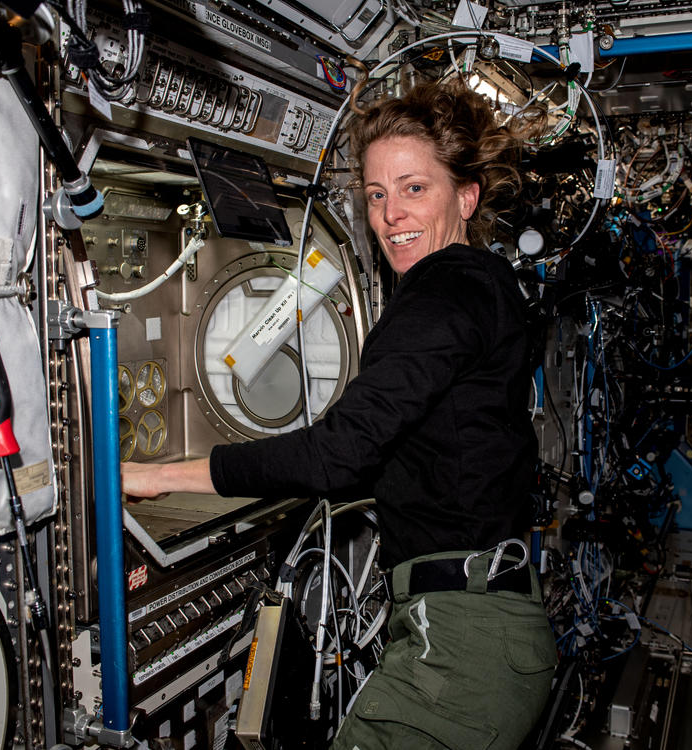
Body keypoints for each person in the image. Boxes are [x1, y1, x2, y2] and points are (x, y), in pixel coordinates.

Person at [123, 78, 557, 749]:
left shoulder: (445, 291)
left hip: (463, 647)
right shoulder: (483, 286)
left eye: (415, 188)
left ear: (466, 196)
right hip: (475, 625)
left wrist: (156, 478)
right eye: (378, 196)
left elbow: (339, 454)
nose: (391, 216)